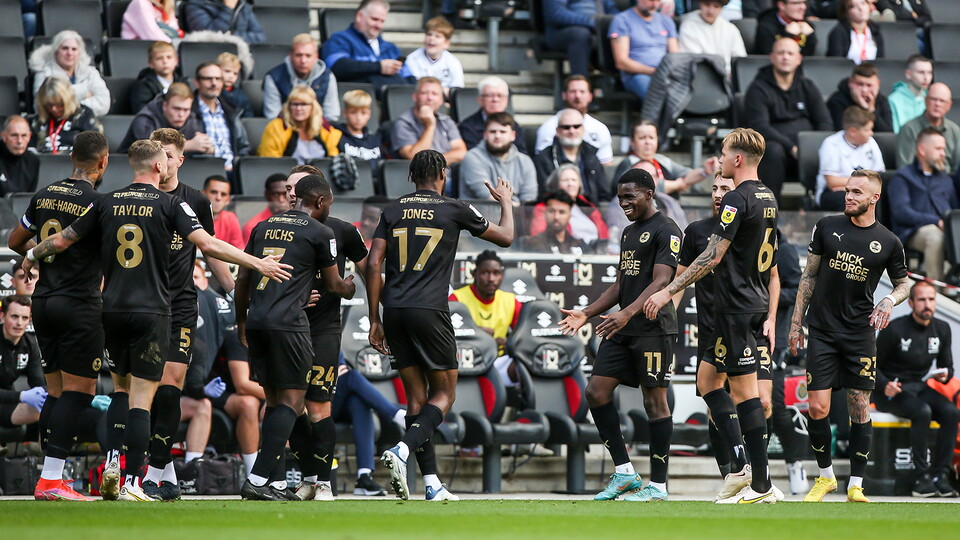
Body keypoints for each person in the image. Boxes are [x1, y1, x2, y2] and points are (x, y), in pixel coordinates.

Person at [21, 139, 291, 502]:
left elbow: (64, 239)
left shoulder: (106, 202)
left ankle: (113, 465)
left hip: (111, 310)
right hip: (153, 311)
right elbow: (209, 246)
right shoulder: (170, 203)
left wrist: (31, 256)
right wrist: (259, 263)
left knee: (121, 388)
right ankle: (135, 481)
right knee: (144, 397)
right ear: (160, 167)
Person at [644, 128, 780, 504]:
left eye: (723, 154)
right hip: (747, 302)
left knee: (746, 394)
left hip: (736, 305)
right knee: (707, 381)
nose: (719, 160)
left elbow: (712, 256)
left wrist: (669, 289)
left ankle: (762, 484)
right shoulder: (768, 195)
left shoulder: (737, 198)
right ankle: (740, 470)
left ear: (738, 159)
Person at [369, 149, 514, 500]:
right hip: (430, 310)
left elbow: (374, 263)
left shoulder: (392, 209)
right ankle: (402, 450)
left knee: (417, 398)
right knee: (445, 395)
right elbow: (506, 237)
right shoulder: (454, 208)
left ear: (411, 177)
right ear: (443, 174)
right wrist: (506, 203)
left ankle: (432, 484)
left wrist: (374, 317)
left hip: (395, 310)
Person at [788, 169, 910, 504]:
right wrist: (796, 325)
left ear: (874, 198)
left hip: (859, 334)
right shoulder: (827, 226)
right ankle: (825, 477)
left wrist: (888, 300)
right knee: (816, 407)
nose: (849, 197)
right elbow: (809, 276)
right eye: (847, 191)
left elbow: (904, 284)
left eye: (857, 192)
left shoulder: (888, 241)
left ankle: (856, 483)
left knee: (859, 406)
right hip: (823, 332)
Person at [559, 168, 681, 502]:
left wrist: (627, 313)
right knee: (596, 392)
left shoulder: (667, 229)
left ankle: (657, 486)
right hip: (624, 329)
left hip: (653, 329)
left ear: (649, 194)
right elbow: (621, 283)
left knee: (654, 403)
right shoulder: (629, 233)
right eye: (620, 197)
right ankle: (625, 472)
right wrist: (587, 312)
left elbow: (661, 281)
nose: (624, 202)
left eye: (630, 196)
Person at [235, 174, 355, 501]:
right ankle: (258, 479)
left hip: (258, 321)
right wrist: (349, 286)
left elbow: (243, 275)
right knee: (293, 401)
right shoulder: (321, 231)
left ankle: (285, 482)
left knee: (276, 402)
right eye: (328, 203)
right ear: (319, 202)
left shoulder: (263, 227)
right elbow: (332, 285)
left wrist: (241, 321)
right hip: (290, 325)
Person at [8, 132, 107, 502]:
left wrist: (37, 256)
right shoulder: (97, 203)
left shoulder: (44, 194)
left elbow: (15, 241)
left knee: (56, 392)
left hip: (45, 302)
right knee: (80, 393)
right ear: (103, 162)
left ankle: (51, 477)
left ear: (71, 158)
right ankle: (51, 480)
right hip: (80, 304)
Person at [140, 128, 236, 501]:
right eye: (155, 152)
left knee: (170, 389)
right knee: (136, 392)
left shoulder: (196, 199)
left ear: (180, 159)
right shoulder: (138, 197)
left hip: (179, 304)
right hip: (140, 305)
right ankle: (147, 472)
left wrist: (233, 292)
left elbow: (210, 251)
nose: (160, 160)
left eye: (167, 153)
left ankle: (157, 473)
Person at [284, 167, 368, 501]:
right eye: (289, 186)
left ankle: (324, 482)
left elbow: (370, 269)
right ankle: (307, 476)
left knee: (318, 407)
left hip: (322, 330)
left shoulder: (343, 231)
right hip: (286, 328)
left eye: (298, 186)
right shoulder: (276, 229)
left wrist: (378, 315)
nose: (292, 192)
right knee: (288, 407)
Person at [874, 280, 959, 498]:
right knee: (922, 411)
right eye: (921, 299)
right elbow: (871, 364)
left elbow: (947, 366)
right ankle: (922, 478)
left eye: (931, 299)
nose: (927, 304)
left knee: (951, 412)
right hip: (893, 390)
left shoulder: (942, 328)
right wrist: (885, 385)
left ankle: (940, 475)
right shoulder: (894, 329)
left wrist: (945, 374)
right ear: (911, 303)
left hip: (919, 386)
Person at [677, 173, 734, 477]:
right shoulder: (697, 231)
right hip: (711, 330)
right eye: (714, 188)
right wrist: (667, 315)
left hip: (743, 327)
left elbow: (771, 278)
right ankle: (729, 474)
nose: (717, 193)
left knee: (757, 401)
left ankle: (753, 472)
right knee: (714, 407)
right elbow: (679, 281)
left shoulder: (750, 229)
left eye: (725, 188)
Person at [191, 260, 263, 478]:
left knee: (289, 406)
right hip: (221, 390)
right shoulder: (239, 331)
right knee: (250, 403)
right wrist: (278, 394)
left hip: (263, 390)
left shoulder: (280, 329)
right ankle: (254, 473)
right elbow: (242, 384)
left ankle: (288, 470)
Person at [744, 37, 832, 200]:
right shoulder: (757, 88)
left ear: (798, 59)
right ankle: (768, 207)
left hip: (807, 151)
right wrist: (791, 147)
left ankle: (822, 202)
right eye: (781, 53)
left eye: (790, 53)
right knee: (773, 150)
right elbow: (759, 126)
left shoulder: (808, 86)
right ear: (772, 57)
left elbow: (824, 121)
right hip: (777, 152)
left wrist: (811, 145)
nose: (785, 57)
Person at [888, 128, 959, 284]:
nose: (943, 154)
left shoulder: (945, 179)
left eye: (944, 149)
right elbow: (901, 212)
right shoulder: (902, 177)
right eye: (938, 148)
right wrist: (935, 220)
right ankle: (936, 292)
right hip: (912, 232)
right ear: (922, 149)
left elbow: (955, 210)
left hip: (946, 229)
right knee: (935, 237)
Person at [449, 250, 522, 376]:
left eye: (496, 273)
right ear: (474, 274)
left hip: (497, 361)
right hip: (462, 362)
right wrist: (478, 333)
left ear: (502, 276)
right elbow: (444, 334)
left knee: (522, 364)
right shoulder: (456, 299)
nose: (491, 279)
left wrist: (509, 343)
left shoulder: (511, 301)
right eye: (485, 273)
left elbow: (524, 335)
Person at [321, 0, 414, 91]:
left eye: (382, 21)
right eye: (375, 19)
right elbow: (337, 67)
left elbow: (409, 78)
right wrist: (379, 67)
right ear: (359, 16)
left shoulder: (391, 48)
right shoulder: (340, 39)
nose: (379, 26)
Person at [613, 121, 719, 196]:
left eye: (651, 137)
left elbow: (686, 175)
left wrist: (705, 171)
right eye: (642, 138)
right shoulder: (628, 163)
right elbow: (643, 187)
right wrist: (677, 185)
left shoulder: (662, 160)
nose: (647, 142)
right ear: (632, 142)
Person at [816, 106, 886, 211]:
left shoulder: (871, 142)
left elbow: (880, 176)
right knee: (849, 198)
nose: (871, 133)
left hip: (865, 190)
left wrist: (862, 186)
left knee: (882, 196)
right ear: (853, 131)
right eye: (867, 130)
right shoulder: (831, 143)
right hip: (831, 193)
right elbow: (832, 182)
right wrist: (865, 184)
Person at [29, 30, 110, 118]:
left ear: (79, 53)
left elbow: (103, 104)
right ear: (56, 51)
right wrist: (84, 93)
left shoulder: (91, 72)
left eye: (74, 49)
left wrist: (64, 103)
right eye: (65, 48)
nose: (69, 53)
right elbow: (40, 106)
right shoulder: (44, 74)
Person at [607, 0, 679, 100]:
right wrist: (654, 71)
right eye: (650, 0)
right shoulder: (622, 20)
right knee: (654, 94)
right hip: (637, 75)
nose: (654, 5)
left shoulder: (666, 21)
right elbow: (622, 62)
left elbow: (676, 56)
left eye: (657, 0)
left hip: (665, 73)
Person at [459, 112, 537, 203]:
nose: (497, 136)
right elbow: (487, 196)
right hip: (479, 214)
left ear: (513, 135)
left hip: (518, 215)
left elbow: (529, 198)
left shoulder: (525, 161)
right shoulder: (472, 158)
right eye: (493, 131)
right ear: (485, 135)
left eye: (503, 132)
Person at [533, 109, 609, 202]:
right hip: (558, 209)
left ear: (583, 129)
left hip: (589, 210)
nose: (572, 131)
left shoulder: (592, 155)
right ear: (557, 131)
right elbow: (544, 193)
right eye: (566, 127)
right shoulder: (544, 158)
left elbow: (603, 193)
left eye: (576, 126)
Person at [262, 33, 340, 122]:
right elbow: (273, 117)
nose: (303, 61)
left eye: (308, 55)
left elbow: (331, 116)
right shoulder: (274, 78)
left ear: (316, 56)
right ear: (291, 55)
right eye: (299, 55)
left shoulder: (328, 77)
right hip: (284, 131)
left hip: (319, 131)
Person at [535, 76, 614, 164]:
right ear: (564, 95)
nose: (577, 96)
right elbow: (542, 163)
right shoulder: (548, 128)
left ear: (590, 96)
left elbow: (606, 166)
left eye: (582, 91)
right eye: (573, 91)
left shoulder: (600, 129)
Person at [192, 62, 251, 172]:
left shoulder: (232, 111)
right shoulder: (188, 111)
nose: (214, 83)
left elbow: (243, 147)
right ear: (197, 82)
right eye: (208, 79)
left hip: (233, 175)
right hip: (203, 172)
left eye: (218, 79)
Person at [119, 82, 210, 154]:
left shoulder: (193, 120)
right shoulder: (145, 119)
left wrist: (206, 147)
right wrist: (187, 145)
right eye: (176, 109)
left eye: (186, 110)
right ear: (165, 105)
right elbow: (150, 151)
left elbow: (201, 146)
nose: (181, 114)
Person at [530, 164, 609, 246]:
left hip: (596, 252)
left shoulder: (588, 206)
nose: (570, 183)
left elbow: (603, 233)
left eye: (574, 180)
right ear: (555, 184)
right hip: (567, 252)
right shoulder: (544, 207)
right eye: (565, 180)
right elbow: (539, 238)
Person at [391, 77, 466, 163]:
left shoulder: (447, 121)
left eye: (435, 94)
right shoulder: (403, 123)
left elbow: (461, 152)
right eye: (424, 93)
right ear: (415, 97)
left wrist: (434, 164)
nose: (429, 98)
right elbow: (413, 157)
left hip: (447, 174)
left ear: (441, 100)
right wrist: (430, 126)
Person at [258, 87, 341, 163]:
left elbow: (333, 160)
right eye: (295, 104)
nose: (298, 108)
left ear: (313, 107)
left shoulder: (325, 129)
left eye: (304, 104)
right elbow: (270, 163)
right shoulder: (276, 127)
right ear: (289, 106)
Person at [0, 296, 44, 433]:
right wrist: (22, 396)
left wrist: (44, 395)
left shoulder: (30, 344)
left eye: (24, 318)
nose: (19, 323)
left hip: (5, 403)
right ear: (2, 317)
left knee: (46, 406)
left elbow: (39, 383)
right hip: (11, 397)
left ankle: (48, 452)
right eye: (14, 316)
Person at [542, 0, 617, 77]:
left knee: (619, 31)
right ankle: (579, 83)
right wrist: (592, 22)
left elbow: (612, 10)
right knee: (580, 34)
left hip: (597, 28)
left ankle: (618, 82)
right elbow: (556, 14)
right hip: (562, 31)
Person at [896, 83, 960, 171]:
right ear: (926, 101)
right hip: (918, 182)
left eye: (942, 101)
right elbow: (904, 168)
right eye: (934, 99)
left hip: (947, 182)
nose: (937, 104)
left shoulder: (954, 131)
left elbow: (957, 168)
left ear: (949, 105)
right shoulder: (909, 129)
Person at [30, 77, 102, 155]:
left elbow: (96, 148)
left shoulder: (84, 115)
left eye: (59, 104)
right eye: (49, 105)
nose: (54, 109)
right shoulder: (39, 120)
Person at [458, 76, 527, 154]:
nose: (495, 100)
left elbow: (522, 154)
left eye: (500, 96)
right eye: (490, 95)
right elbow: (473, 156)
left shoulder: (514, 125)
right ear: (480, 99)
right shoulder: (468, 127)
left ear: (506, 100)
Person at [678, 0, 747, 75]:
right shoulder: (688, 26)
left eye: (716, 6)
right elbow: (693, 61)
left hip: (729, 78)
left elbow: (740, 60)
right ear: (700, 3)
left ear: (722, 7)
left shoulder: (731, 29)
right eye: (707, 4)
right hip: (701, 78)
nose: (711, 11)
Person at [405, 17, 464, 97]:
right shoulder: (412, 59)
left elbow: (457, 89)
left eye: (437, 36)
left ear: (446, 43)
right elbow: (415, 87)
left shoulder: (453, 62)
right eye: (429, 34)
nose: (431, 38)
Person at [826, 63, 894, 133]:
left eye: (869, 85)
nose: (864, 90)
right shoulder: (837, 100)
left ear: (878, 84)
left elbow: (887, 133)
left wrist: (871, 110)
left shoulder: (882, 101)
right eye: (860, 84)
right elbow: (842, 132)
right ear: (850, 83)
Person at [520, 190, 591, 255]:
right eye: (551, 211)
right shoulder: (534, 243)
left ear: (569, 215)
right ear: (545, 213)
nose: (556, 217)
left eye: (562, 212)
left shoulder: (579, 244)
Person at [129, 41, 189, 115]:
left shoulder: (184, 83)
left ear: (176, 61)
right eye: (159, 58)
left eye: (169, 57)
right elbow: (141, 110)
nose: (165, 61)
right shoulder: (143, 85)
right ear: (150, 63)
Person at [182, 0, 266, 44]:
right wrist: (228, 8)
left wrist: (231, 36)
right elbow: (208, 36)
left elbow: (260, 37)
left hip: (236, 58)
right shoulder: (195, 5)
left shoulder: (242, 5)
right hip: (208, 55)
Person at [336, 89, 385, 163]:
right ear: (345, 113)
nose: (359, 118)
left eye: (363, 113)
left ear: (369, 114)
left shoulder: (375, 140)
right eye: (353, 112)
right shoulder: (337, 137)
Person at [889, 55, 933, 134]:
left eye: (929, 73)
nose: (926, 78)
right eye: (921, 72)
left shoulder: (932, 99)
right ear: (908, 74)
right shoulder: (894, 100)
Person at [242, 173, 289, 242]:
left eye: (285, 194)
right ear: (266, 195)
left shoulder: (302, 222)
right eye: (276, 194)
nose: (281, 200)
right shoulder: (253, 227)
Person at [0, 116, 39, 195]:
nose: (19, 141)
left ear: (29, 136)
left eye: (24, 135)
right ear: (4, 136)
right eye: (14, 135)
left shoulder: (33, 161)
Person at [203, 174, 244, 249]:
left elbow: (238, 250)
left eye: (223, 194)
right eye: (213, 192)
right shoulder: (189, 216)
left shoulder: (231, 218)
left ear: (228, 200)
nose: (218, 198)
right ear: (203, 194)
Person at [217, 53, 253, 118]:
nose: (231, 76)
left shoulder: (241, 96)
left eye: (235, 73)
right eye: (227, 71)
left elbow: (248, 116)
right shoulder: (212, 92)